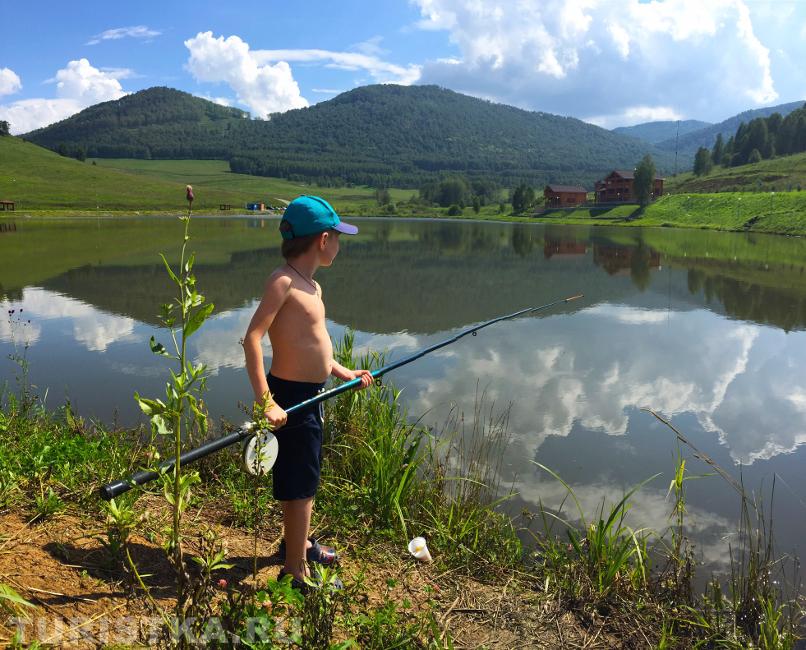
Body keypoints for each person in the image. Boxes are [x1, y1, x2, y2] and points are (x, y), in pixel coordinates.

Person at [243, 195, 373, 590]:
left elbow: (314, 343)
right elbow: (252, 339)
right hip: (290, 399)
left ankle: (296, 545)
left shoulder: (312, 287)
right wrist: (267, 401)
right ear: (321, 240)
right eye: (337, 236)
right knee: (300, 488)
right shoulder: (283, 282)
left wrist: (341, 370)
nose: (339, 243)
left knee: (307, 479)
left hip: (312, 393)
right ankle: (295, 572)